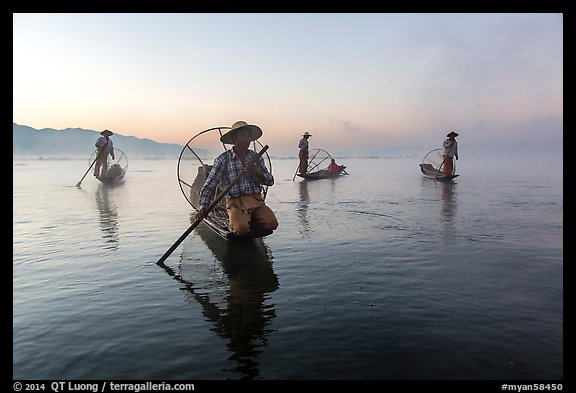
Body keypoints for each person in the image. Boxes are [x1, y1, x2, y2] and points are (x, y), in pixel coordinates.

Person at [197, 121, 278, 236]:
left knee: (272, 224)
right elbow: (210, 184)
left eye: (248, 136)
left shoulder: (255, 157)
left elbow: (270, 181)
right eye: (243, 135)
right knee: (240, 229)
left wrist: (258, 172)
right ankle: (238, 223)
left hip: (256, 201)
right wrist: (203, 206)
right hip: (235, 203)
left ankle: (249, 220)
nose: (247, 139)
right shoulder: (223, 159)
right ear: (234, 138)